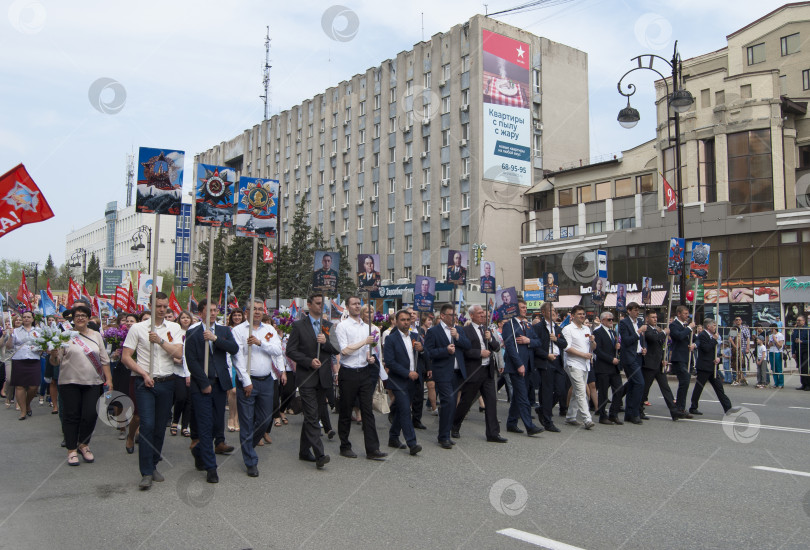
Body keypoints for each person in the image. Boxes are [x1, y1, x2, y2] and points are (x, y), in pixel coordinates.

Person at [121, 292, 184, 489]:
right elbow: (126, 356)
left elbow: (179, 354)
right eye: (158, 306)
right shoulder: (138, 328)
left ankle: (154, 463)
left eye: (165, 306)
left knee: (159, 426)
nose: (162, 309)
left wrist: (160, 341)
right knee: (147, 425)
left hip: (167, 382)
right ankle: (146, 472)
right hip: (145, 382)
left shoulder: (174, 327)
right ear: (150, 305)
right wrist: (143, 373)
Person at [48, 304, 113, 465]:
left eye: (84, 315)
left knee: (90, 415)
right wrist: (54, 354)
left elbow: (104, 360)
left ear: (88, 318)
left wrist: (109, 380)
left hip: (93, 382)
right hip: (69, 382)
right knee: (71, 416)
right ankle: (71, 450)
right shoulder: (65, 336)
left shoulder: (96, 335)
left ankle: (84, 444)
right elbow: (55, 362)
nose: (80, 318)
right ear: (73, 318)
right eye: (77, 315)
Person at [185, 298, 239, 483]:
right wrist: (203, 382)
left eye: (215, 310)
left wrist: (215, 339)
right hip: (202, 386)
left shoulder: (224, 331)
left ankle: (198, 451)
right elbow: (191, 361)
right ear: (201, 313)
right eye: (209, 310)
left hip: (219, 384)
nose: (213, 313)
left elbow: (234, 348)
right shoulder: (192, 334)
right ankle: (211, 467)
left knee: (217, 423)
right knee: (205, 425)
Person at [285, 294, 337, 469]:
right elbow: (290, 351)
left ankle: (303, 451)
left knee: (310, 415)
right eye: (317, 303)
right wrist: (308, 361)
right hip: (306, 377)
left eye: (323, 304)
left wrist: (325, 342)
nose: (321, 306)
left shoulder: (328, 326)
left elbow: (336, 349)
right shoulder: (299, 325)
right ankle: (320, 454)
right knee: (313, 415)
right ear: (309, 305)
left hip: (323, 378)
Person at [232, 299, 283, 477]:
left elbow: (278, 351)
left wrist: (261, 343)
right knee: (246, 421)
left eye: (260, 309)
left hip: (267, 380)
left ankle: (248, 445)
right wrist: (245, 380)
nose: (258, 312)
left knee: (265, 419)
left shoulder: (269, 330)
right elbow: (237, 358)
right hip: (248, 381)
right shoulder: (238, 331)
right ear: (246, 312)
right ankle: (250, 460)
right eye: (254, 309)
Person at [334, 296, 388, 461]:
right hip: (348, 373)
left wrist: (370, 357)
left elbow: (368, 349)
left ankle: (372, 449)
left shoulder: (368, 327)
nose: (357, 306)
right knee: (346, 410)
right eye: (354, 304)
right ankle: (345, 445)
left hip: (364, 371)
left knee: (367, 411)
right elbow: (344, 350)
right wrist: (364, 341)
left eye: (359, 304)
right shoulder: (342, 326)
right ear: (348, 307)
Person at [451, 304, 505, 442]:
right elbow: (464, 350)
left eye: (483, 313)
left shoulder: (486, 329)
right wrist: (479, 353)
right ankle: (454, 426)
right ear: (472, 315)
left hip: (488, 371)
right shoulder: (465, 330)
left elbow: (497, 347)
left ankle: (493, 433)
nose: (483, 315)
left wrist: (490, 339)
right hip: (474, 371)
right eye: (479, 313)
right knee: (466, 401)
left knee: (491, 402)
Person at [425, 303, 472, 448]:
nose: (454, 318)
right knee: (448, 402)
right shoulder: (433, 331)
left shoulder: (458, 329)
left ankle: (445, 433)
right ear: (443, 316)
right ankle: (443, 436)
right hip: (443, 372)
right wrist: (445, 351)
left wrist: (457, 336)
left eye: (455, 315)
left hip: (458, 372)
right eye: (451, 315)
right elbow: (428, 352)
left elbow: (467, 345)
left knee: (452, 405)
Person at [501, 299, 544, 437]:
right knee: (523, 396)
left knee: (518, 396)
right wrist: (519, 364)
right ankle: (529, 426)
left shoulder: (528, 325)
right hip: (516, 367)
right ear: (515, 309)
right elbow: (511, 347)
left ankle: (512, 423)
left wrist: (528, 341)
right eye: (522, 307)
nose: (525, 309)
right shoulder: (510, 325)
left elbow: (538, 342)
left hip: (528, 365)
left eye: (526, 307)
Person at [383, 309, 423, 455]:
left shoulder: (415, 336)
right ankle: (412, 443)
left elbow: (425, 355)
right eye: (403, 320)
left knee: (401, 410)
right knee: (406, 410)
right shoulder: (391, 338)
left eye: (408, 319)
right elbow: (390, 362)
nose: (406, 322)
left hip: (413, 380)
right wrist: (407, 373)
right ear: (396, 321)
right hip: (399, 380)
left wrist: (422, 349)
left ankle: (393, 437)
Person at [640, 311, 688, 421]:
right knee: (645, 389)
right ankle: (638, 409)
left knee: (666, 388)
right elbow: (653, 339)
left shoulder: (657, 330)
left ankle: (674, 411)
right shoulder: (646, 328)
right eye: (652, 317)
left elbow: (660, 347)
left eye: (656, 317)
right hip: (649, 364)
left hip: (658, 364)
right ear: (647, 318)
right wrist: (664, 333)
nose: (655, 319)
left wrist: (663, 359)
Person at [531, 301, 566, 432]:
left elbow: (564, 343)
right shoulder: (538, 327)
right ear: (544, 313)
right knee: (546, 391)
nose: (554, 313)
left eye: (554, 311)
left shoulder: (557, 328)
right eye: (551, 311)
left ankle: (543, 409)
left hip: (557, 361)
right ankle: (547, 420)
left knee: (560, 389)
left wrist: (556, 339)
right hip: (546, 361)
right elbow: (535, 346)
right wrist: (546, 355)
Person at [689, 318, 735, 415]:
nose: (715, 327)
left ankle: (728, 408)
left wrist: (718, 358)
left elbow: (714, 351)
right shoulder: (703, 335)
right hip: (704, 367)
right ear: (708, 326)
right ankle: (693, 407)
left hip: (713, 367)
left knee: (719, 388)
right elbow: (706, 348)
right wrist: (714, 340)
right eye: (714, 325)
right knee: (699, 388)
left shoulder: (712, 336)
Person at [561, 305, 596, 429]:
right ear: (573, 316)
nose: (582, 316)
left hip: (585, 365)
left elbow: (592, 347)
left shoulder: (586, 329)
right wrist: (583, 355)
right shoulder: (568, 329)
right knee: (581, 391)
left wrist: (592, 341)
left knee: (577, 391)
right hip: (573, 363)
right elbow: (567, 348)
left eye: (583, 314)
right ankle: (587, 419)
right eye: (579, 314)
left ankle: (570, 416)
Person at [5, 311, 41, 420]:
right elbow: (9, 347)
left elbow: (43, 345)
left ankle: (27, 403)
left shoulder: (38, 331)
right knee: (19, 386)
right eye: (24, 317)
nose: (26, 319)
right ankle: (23, 410)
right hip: (19, 360)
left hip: (34, 359)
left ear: (32, 319)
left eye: (28, 317)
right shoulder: (15, 331)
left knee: (33, 386)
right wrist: (10, 336)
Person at [593, 311, 625, 425]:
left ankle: (613, 413)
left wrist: (618, 347)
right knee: (603, 393)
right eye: (608, 319)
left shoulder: (612, 332)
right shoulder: (597, 332)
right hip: (603, 367)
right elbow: (597, 350)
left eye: (612, 319)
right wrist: (610, 359)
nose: (611, 321)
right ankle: (602, 415)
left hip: (614, 367)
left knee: (619, 389)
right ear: (602, 320)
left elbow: (614, 348)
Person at [617, 302, 646, 425]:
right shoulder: (624, 323)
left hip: (638, 355)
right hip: (629, 357)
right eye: (634, 310)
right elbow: (627, 341)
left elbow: (641, 340)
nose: (637, 312)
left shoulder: (639, 322)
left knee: (633, 384)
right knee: (640, 383)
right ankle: (635, 412)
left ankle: (629, 414)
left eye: (638, 310)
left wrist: (643, 347)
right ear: (628, 311)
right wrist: (638, 332)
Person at [669, 305, 696, 416]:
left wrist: (694, 344)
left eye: (687, 313)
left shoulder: (685, 326)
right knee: (685, 380)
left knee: (685, 381)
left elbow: (695, 339)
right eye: (685, 313)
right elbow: (679, 336)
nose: (687, 315)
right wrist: (689, 328)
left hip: (686, 357)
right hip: (678, 357)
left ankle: (680, 406)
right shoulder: (673, 325)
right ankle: (679, 408)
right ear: (679, 314)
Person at [171, 311, 193, 437]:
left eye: (187, 318)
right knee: (180, 397)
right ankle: (175, 421)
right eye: (183, 318)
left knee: (189, 400)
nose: (185, 320)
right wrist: (175, 358)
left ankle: (185, 426)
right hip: (178, 371)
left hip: (190, 370)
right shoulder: (175, 332)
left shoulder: (194, 332)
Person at [793, 315, 810, 391]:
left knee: (805, 368)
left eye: (799, 320)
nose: (798, 322)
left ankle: (808, 384)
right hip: (798, 350)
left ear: (804, 321)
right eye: (797, 320)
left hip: (806, 350)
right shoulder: (796, 330)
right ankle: (803, 383)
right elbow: (793, 342)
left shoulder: (807, 329)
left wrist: (802, 341)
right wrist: (793, 352)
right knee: (800, 367)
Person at [767, 324, 785, 388]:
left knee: (779, 368)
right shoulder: (770, 335)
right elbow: (769, 344)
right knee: (773, 368)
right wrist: (770, 342)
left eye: (771, 329)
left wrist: (775, 340)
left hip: (777, 352)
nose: (771, 330)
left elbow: (780, 345)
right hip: (771, 351)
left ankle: (781, 383)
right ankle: (776, 382)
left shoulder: (780, 335)